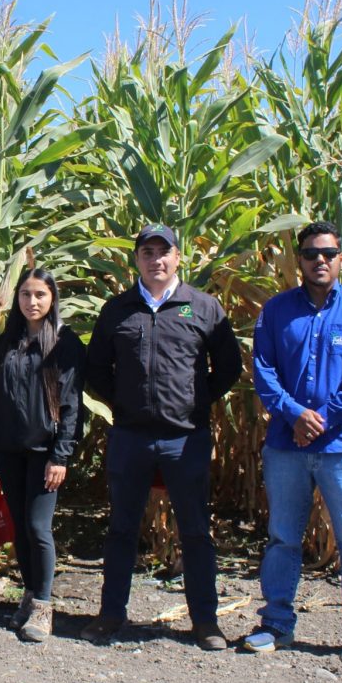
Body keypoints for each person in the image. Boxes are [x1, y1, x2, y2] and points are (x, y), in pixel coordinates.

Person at [82, 223, 242, 648]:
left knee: (194, 531)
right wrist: (123, 404)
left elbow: (229, 365)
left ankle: (205, 621)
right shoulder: (118, 309)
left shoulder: (203, 307)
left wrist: (197, 401)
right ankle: (111, 614)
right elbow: (96, 367)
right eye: (147, 252)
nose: (156, 260)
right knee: (121, 529)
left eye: (163, 252)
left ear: (178, 257)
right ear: (136, 259)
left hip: (185, 438)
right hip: (131, 436)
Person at [244, 220, 342, 665]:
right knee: (283, 538)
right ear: (299, 260)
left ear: (341, 257)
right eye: (311, 254)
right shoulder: (275, 312)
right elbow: (264, 372)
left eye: (328, 253)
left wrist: (321, 419)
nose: (320, 261)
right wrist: (295, 415)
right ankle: (276, 622)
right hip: (287, 447)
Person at [0, 268, 84, 642]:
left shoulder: (64, 343)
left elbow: (72, 405)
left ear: (52, 298)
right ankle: (28, 596)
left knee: (39, 527)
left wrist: (61, 456)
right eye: (26, 294)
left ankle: (43, 604)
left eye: (40, 294)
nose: (32, 302)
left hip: (45, 452)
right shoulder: (5, 342)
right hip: (9, 450)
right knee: (21, 526)